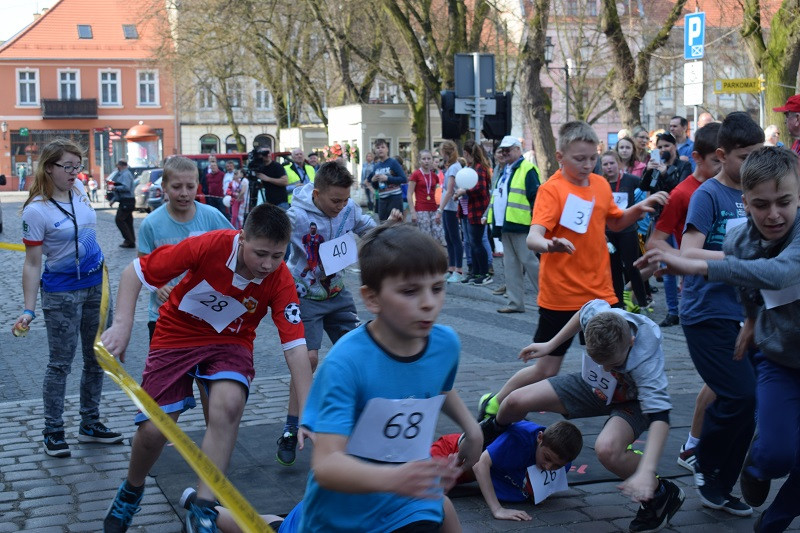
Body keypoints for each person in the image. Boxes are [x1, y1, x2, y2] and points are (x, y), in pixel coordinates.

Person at [100, 203, 314, 532]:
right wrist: (122, 325)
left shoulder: (279, 277)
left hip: (232, 341)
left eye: (277, 255)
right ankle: (132, 488)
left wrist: (308, 413)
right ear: (242, 238)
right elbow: (135, 273)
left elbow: (296, 347)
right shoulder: (208, 245)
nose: (267, 264)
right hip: (178, 334)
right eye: (261, 254)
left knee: (228, 404)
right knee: (154, 432)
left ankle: (204, 506)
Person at [638, 145, 800, 532]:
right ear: (744, 203)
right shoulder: (738, 239)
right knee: (777, 454)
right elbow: (750, 286)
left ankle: (773, 523)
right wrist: (749, 320)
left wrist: (690, 263)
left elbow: (778, 274)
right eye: (761, 205)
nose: (774, 214)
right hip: (781, 359)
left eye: (784, 202)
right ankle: (757, 465)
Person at [298, 223, 483, 531]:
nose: (428, 302)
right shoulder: (347, 362)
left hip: (410, 502)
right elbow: (327, 464)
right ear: (372, 299)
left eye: (437, 288)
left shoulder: (445, 344)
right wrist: (394, 478)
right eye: (410, 291)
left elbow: (436, 387)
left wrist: (472, 429)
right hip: (343, 513)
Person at [477, 121, 667, 420]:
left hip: (602, 293)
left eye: (592, 158)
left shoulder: (600, 184)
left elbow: (615, 222)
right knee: (546, 368)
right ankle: (496, 401)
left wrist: (639, 209)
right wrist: (550, 245)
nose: (588, 165)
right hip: (561, 296)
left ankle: (620, 434)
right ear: (560, 156)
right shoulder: (552, 190)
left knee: (617, 364)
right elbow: (533, 238)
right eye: (580, 158)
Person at [482, 299, 685, 532]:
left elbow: (661, 418)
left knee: (607, 450)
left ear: (631, 342)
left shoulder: (646, 361)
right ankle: (489, 435)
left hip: (634, 400)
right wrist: (551, 345)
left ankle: (661, 493)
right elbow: (583, 311)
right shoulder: (600, 318)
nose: (608, 368)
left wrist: (647, 471)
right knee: (515, 400)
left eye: (614, 363)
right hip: (596, 388)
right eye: (602, 363)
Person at [671, 111, 763, 517]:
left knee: (751, 400)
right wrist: (738, 258)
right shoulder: (708, 195)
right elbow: (687, 253)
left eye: (759, 155)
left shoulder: (757, 191)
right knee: (739, 394)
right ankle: (705, 464)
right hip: (707, 313)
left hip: (748, 314)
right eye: (746, 157)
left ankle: (721, 483)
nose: (753, 165)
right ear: (722, 155)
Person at [285, 162, 402, 466]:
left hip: (336, 293)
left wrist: (389, 223)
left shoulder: (348, 209)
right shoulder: (297, 217)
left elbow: (369, 230)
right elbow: (271, 238)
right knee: (308, 358)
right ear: (317, 192)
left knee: (361, 351)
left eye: (344, 200)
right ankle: (292, 425)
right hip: (305, 295)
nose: (340, 206)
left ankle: (366, 419)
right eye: (334, 200)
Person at [14, 138, 123, 458]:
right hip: (61, 293)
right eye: (68, 167)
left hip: (96, 288)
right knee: (60, 363)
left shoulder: (79, 193)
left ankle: (90, 424)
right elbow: (32, 263)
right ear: (49, 167)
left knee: (96, 359)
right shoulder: (36, 211)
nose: (76, 172)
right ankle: (53, 429)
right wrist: (28, 309)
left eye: (79, 166)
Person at [645, 122, 722, 472]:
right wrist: (668, 261)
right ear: (697, 158)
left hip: (743, 295)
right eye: (717, 163)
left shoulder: (738, 188)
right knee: (725, 379)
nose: (725, 170)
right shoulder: (685, 193)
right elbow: (655, 241)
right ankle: (694, 444)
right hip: (704, 298)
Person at [137, 156, 232, 341]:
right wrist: (159, 286)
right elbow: (142, 265)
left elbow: (235, 251)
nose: (184, 193)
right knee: (167, 370)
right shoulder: (150, 224)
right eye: (176, 187)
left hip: (205, 316)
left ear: (198, 184)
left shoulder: (212, 217)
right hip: (164, 316)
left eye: (190, 187)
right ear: (164, 186)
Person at [430, 420, 582, 521]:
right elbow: (479, 465)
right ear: (539, 438)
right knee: (415, 485)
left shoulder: (563, 463)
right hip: (451, 453)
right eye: (547, 458)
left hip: (465, 475)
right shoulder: (519, 438)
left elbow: (536, 490)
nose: (549, 467)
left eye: (557, 466)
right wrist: (497, 510)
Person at [484, 136, 541, 309]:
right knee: (511, 265)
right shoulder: (505, 170)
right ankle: (515, 302)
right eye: (503, 150)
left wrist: (536, 224)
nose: (505, 152)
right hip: (507, 225)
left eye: (509, 149)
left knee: (530, 263)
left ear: (518, 149)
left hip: (521, 224)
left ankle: (549, 300)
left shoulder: (527, 168)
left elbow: (536, 199)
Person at [600, 150, 648, 312]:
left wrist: (641, 212)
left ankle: (643, 302)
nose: (609, 167)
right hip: (609, 232)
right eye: (605, 164)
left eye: (612, 163)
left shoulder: (631, 180)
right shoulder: (601, 184)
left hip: (628, 230)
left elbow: (646, 190)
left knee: (632, 267)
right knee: (614, 269)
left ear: (619, 164)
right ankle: (618, 304)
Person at [455, 140, 493, 285]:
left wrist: (465, 191)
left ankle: (484, 273)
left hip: (477, 210)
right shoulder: (472, 167)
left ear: (466, 153)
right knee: (471, 243)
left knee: (477, 243)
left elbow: (481, 189)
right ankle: (476, 272)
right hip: (468, 210)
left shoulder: (480, 168)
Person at [436, 140, 464, 282]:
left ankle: (458, 270)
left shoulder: (453, 168)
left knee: (455, 238)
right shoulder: (451, 167)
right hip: (448, 207)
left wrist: (439, 210)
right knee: (449, 238)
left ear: (445, 153)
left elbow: (449, 191)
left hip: (451, 207)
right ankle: (451, 267)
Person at [408, 149, 445, 245]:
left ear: (432, 160)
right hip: (421, 209)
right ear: (419, 160)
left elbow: (436, 192)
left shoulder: (434, 176)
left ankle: (436, 257)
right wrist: (412, 212)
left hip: (433, 208)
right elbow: (409, 194)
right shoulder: (416, 174)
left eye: (429, 158)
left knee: (438, 235)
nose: (426, 161)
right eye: (424, 159)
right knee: (426, 237)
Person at [368, 138, 407, 221]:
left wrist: (387, 178)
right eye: (378, 148)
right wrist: (373, 181)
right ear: (375, 151)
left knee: (396, 224)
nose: (380, 149)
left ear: (387, 149)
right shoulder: (376, 166)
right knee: (383, 224)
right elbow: (376, 187)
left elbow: (404, 179)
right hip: (382, 200)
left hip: (395, 198)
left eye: (382, 147)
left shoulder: (393, 162)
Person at [112, 160, 136, 248]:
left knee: (119, 220)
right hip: (126, 200)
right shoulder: (124, 174)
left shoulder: (125, 174)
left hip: (127, 200)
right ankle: (131, 241)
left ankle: (129, 240)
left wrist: (115, 188)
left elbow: (126, 187)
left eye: (117, 165)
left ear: (120, 165)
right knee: (128, 221)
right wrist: (114, 199)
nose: (117, 167)